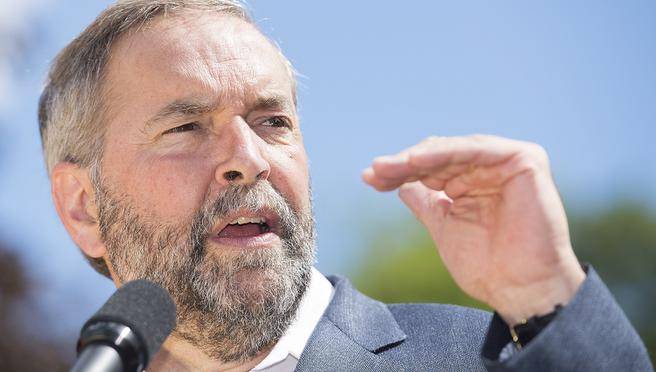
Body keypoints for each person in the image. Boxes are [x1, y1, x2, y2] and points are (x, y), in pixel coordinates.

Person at [38, 1, 652, 371]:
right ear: (83, 207)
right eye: (186, 126)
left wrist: (546, 299)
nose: (247, 159)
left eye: (272, 121)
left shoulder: (488, 359)